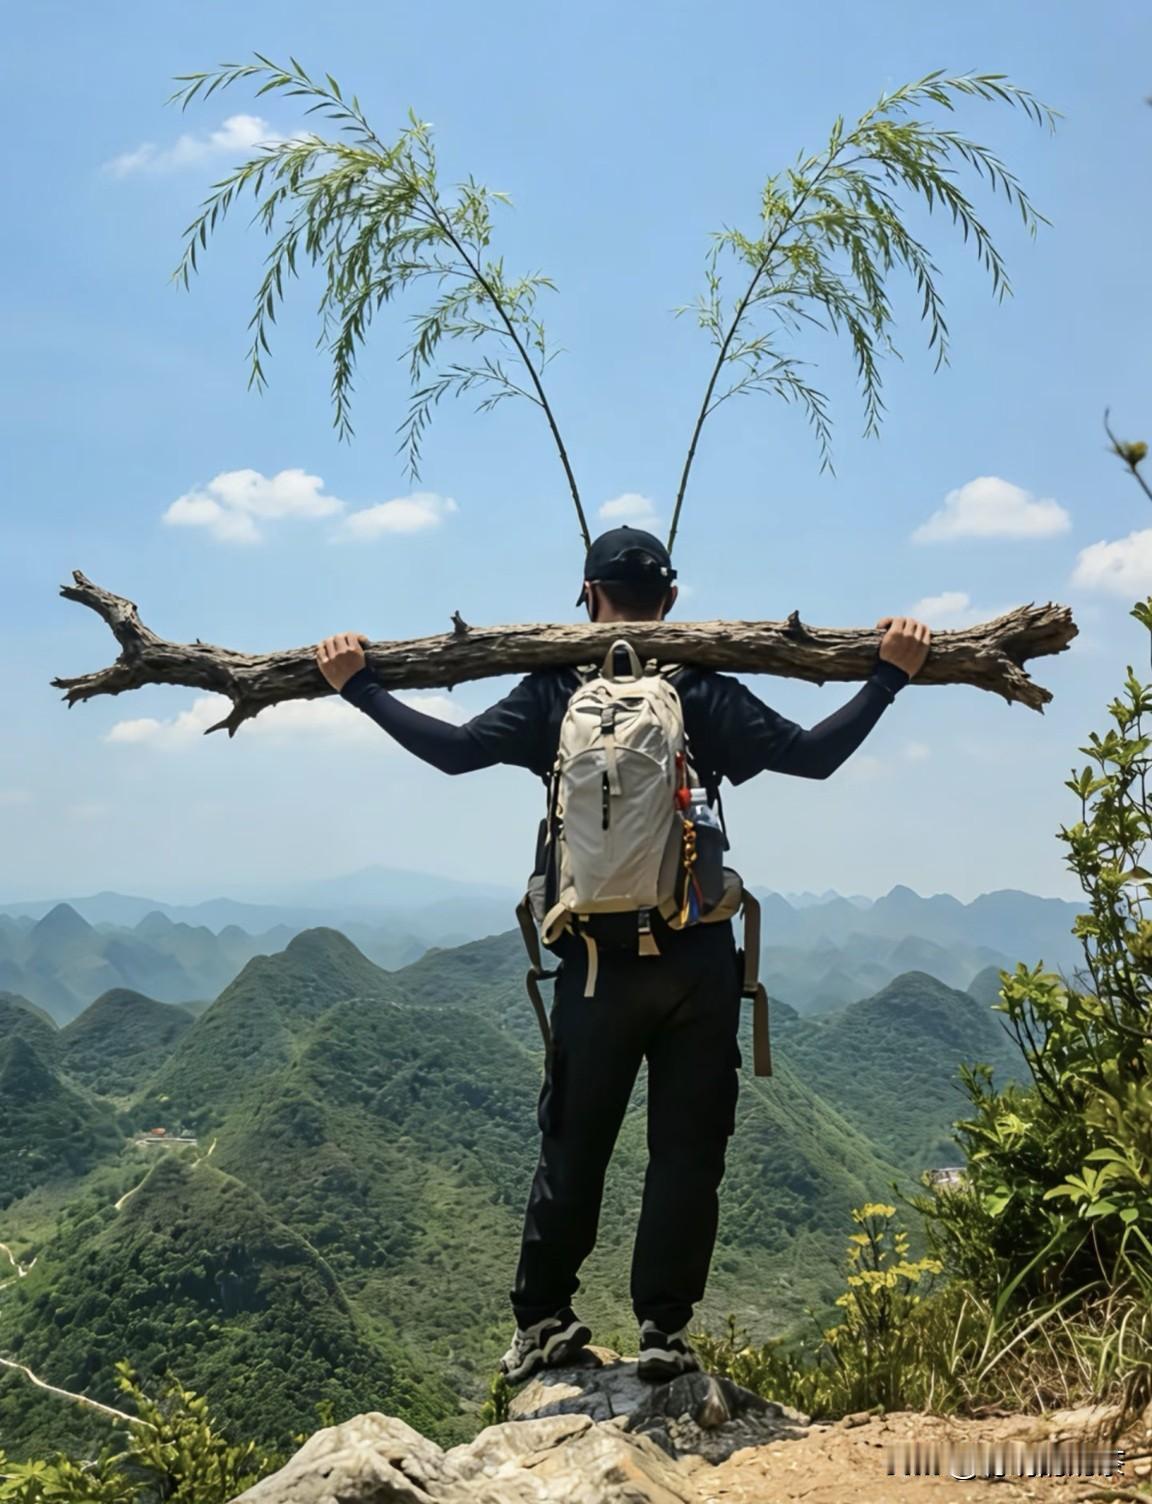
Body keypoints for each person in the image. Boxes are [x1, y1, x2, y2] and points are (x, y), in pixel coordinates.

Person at [315, 525, 931, 1386]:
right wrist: (888, 676)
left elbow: (454, 755)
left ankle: (542, 1323)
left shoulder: (556, 690)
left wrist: (362, 690)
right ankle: (664, 1332)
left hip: (596, 967)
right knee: (686, 1152)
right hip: (697, 964)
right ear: (671, 603)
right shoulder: (702, 690)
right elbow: (815, 758)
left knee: (573, 1143)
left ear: (587, 595)